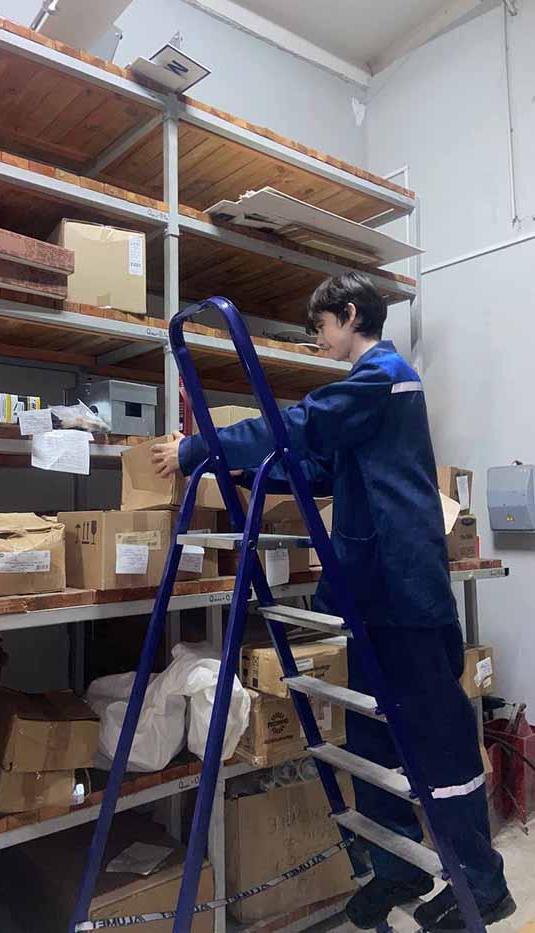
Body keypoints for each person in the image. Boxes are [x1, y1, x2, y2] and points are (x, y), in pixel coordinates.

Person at [152, 273, 514, 932]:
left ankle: (483, 883)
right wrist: (236, 468)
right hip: (369, 596)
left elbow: (302, 424)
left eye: (320, 326)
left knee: (438, 741)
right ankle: (399, 868)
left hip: (406, 594)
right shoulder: (366, 395)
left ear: (349, 315)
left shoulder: (384, 377)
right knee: (372, 738)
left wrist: (198, 447)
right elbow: (318, 466)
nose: (318, 339)